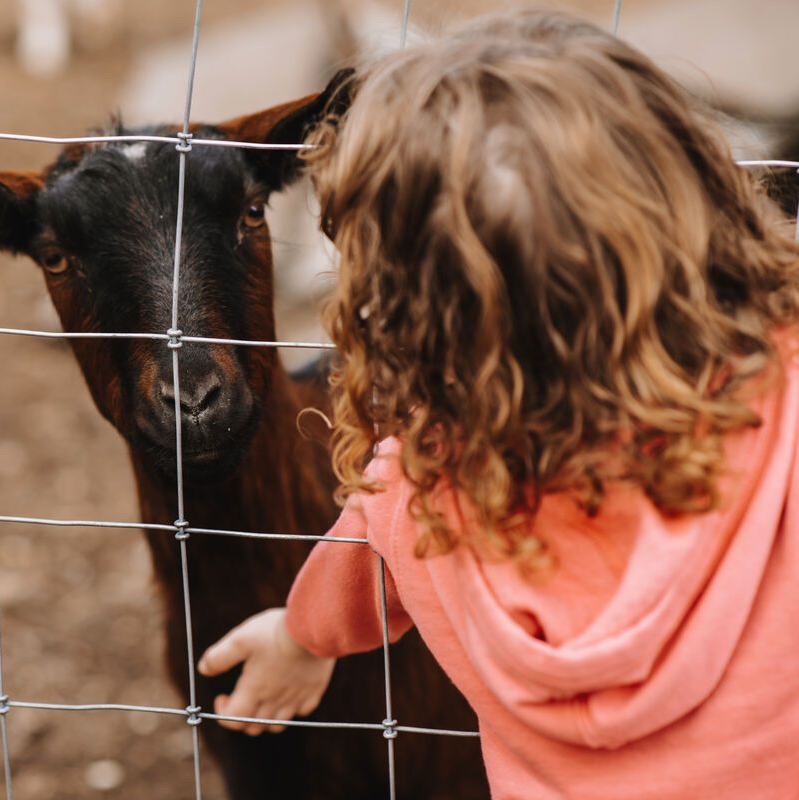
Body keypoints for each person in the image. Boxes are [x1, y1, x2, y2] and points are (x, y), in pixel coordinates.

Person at [197, 12, 799, 799]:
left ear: (404, 304)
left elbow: (355, 576)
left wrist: (297, 636)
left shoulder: (422, 493)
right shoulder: (782, 404)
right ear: (690, 197)